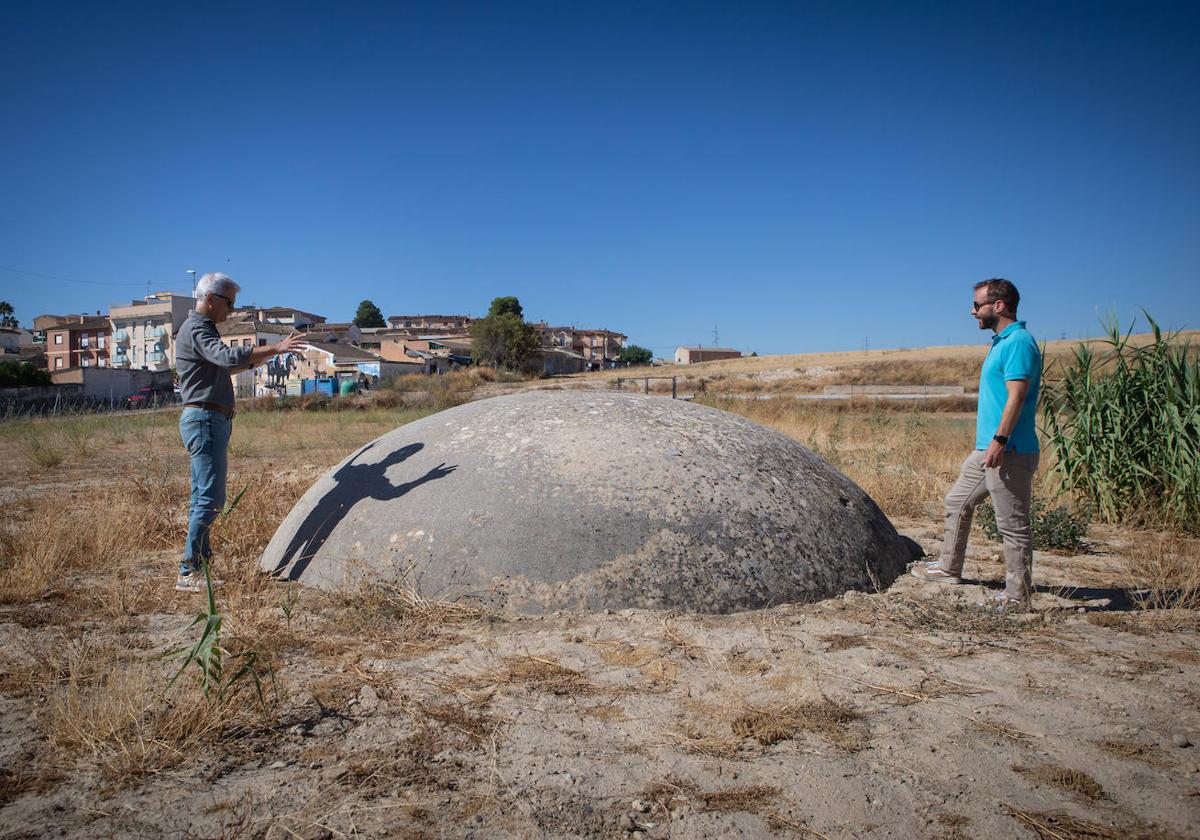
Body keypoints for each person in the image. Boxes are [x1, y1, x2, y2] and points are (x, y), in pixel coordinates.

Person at [910, 278, 1042, 609]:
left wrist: (1000, 440)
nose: (972, 311)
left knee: (1012, 525)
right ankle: (948, 568)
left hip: (1008, 450)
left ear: (999, 305)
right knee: (957, 500)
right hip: (987, 449)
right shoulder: (1000, 343)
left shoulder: (1018, 343)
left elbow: (1017, 396)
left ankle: (1018, 596)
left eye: (977, 305)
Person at [174, 273, 308, 592]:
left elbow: (225, 366)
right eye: (229, 302)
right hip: (205, 419)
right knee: (210, 499)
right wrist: (276, 347)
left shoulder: (200, 330)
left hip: (207, 419)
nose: (232, 310)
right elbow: (225, 357)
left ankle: (199, 568)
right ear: (210, 299)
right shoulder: (197, 328)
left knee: (202, 498)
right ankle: (188, 570)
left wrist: (262, 358)